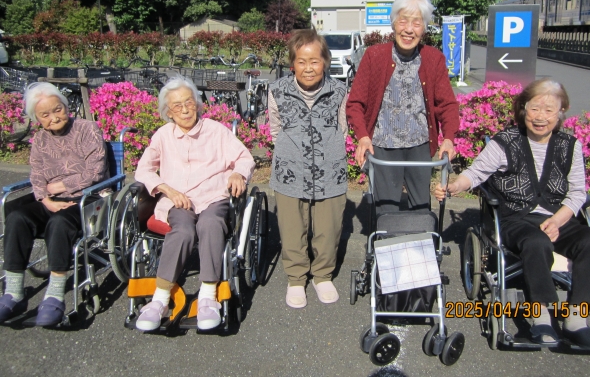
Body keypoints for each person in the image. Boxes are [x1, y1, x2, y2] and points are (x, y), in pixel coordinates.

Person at [434, 78, 590, 349]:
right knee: (536, 242)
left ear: (561, 111)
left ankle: (577, 321)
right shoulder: (505, 142)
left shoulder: (570, 146)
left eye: (549, 110)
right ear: (523, 108)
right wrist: (454, 186)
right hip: (515, 219)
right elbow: (476, 173)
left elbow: (577, 193)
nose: (540, 117)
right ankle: (542, 319)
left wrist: (557, 220)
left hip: (558, 218)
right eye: (534, 108)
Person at [134, 75, 255, 331]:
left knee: (210, 224)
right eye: (177, 106)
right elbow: (143, 170)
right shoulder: (163, 135)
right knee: (183, 231)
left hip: (213, 196)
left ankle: (208, 297)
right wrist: (166, 189)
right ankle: (160, 300)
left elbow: (245, 158)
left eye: (189, 102)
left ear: (197, 104)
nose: (185, 109)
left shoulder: (215, 130)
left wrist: (238, 173)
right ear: (168, 112)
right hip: (179, 200)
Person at [0, 82, 108, 326]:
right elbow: (37, 174)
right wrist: (45, 199)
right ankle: (14, 292)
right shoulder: (40, 139)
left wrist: (57, 187)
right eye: (45, 115)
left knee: (60, 222)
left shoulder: (87, 129)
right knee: (16, 216)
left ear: (66, 107)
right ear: (37, 119)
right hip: (52, 200)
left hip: (87, 197)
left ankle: (55, 295)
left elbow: (95, 172)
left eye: (57, 110)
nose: (54, 117)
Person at [346, 0, 460, 212]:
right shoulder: (374, 56)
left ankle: (421, 234)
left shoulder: (433, 58)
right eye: (403, 21)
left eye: (416, 23)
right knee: (386, 210)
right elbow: (355, 103)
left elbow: (447, 104)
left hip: (420, 145)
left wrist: (448, 138)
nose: (409, 29)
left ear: (424, 28)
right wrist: (363, 136)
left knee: (421, 208)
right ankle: (385, 234)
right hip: (383, 145)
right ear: (393, 24)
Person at [268, 28, 348, 309]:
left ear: (325, 61)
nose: (308, 68)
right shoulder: (277, 90)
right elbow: (275, 129)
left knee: (328, 227)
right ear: (293, 63)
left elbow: (343, 128)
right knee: (292, 228)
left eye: (315, 61)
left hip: (330, 169)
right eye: (301, 61)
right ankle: (296, 278)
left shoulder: (340, 91)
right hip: (290, 171)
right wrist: (294, 153)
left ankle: (323, 275)